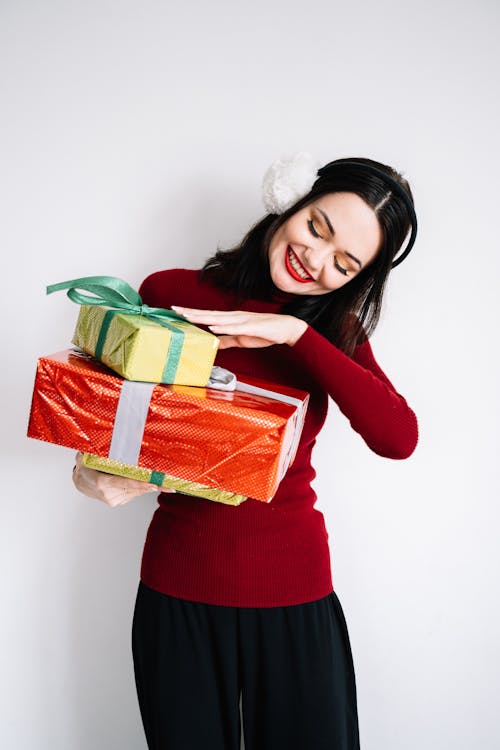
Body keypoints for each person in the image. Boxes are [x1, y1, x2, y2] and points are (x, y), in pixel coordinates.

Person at [73, 154, 419, 750]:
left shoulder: (332, 333)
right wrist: (90, 475)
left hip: (293, 591)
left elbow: (398, 437)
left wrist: (296, 334)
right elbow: (108, 425)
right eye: (318, 228)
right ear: (292, 202)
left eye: (344, 263)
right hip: (178, 587)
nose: (314, 261)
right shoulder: (170, 293)